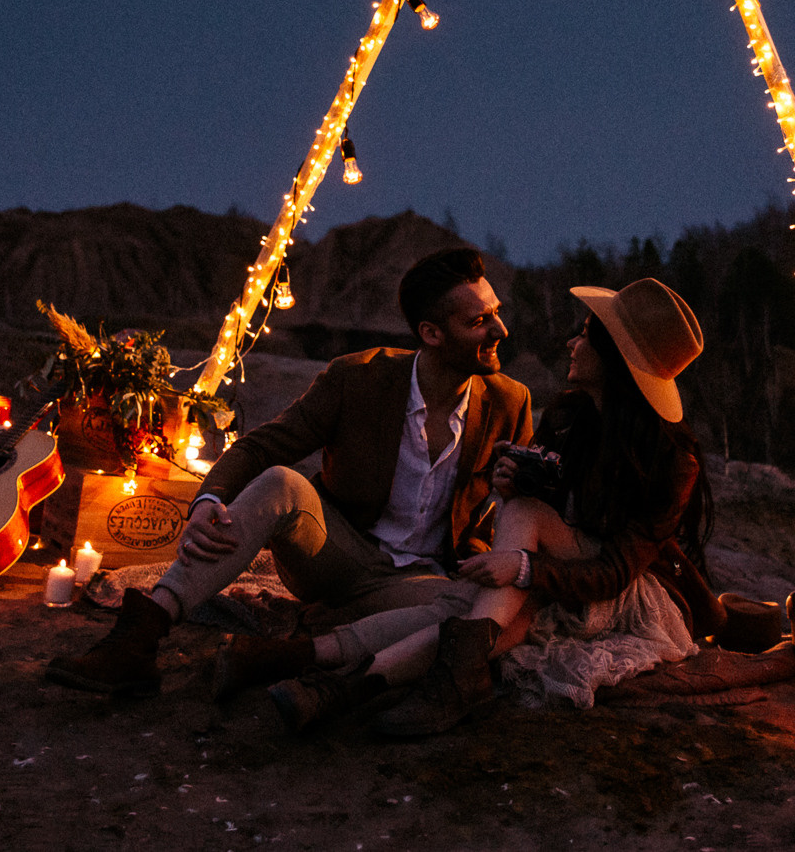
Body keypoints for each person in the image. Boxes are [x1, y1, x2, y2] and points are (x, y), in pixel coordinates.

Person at [45, 247, 532, 698]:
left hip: (420, 581)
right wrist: (208, 501)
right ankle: (139, 636)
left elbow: (518, 510)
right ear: (431, 333)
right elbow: (261, 446)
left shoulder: (511, 402)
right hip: (335, 554)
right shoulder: (358, 377)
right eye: (480, 320)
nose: (501, 330)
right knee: (282, 480)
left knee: (477, 608)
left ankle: (286, 656)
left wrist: (510, 497)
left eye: (497, 312)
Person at [256, 276, 718, 736]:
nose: (573, 343)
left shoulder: (674, 461)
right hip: (550, 564)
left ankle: (340, 684)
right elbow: (548, 510)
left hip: (615, 592)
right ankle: (352, 688)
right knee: (480, 602)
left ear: (614, 357)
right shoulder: (570, 416)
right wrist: (514, 489)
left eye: (585, 334)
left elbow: (615, 571)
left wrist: (522, 567)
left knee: (488, 585)